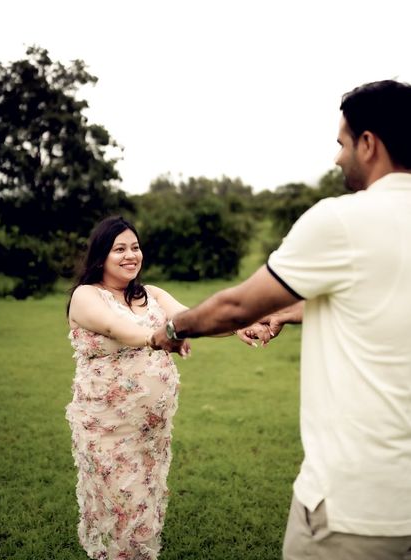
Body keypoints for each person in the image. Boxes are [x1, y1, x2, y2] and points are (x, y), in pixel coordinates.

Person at [150, 80, 411, 559]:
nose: (337, 158)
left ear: (369, 144)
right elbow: (374, 302)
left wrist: (172, 328)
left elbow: (236, 307)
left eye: (342, 143)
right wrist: (288, 314)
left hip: (357, 508)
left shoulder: (343, 220)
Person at [65, 216, 192, 560]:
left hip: (151, 431)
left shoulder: (152, 295)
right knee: (121, 508)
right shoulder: (86, 296)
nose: (130, 255)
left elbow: (193, 318)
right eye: (119, 248)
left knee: (145, 506)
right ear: (100, 257)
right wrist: (159, 338)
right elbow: (115, 327)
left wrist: (243, 325)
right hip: (106, 428)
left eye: (134, 247)